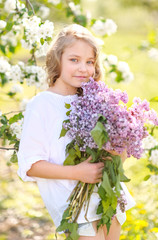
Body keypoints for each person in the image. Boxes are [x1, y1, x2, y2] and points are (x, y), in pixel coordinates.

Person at [17, 24, 136, 240]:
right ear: (57, 60)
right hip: (74, 210)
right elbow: (30, 165)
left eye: (89, 62)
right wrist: (78, 173)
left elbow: (115, 160)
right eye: (74, 60)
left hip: (108, 201)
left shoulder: (95, 100)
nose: (83, 68)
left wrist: (120, 145)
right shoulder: (42, 104)